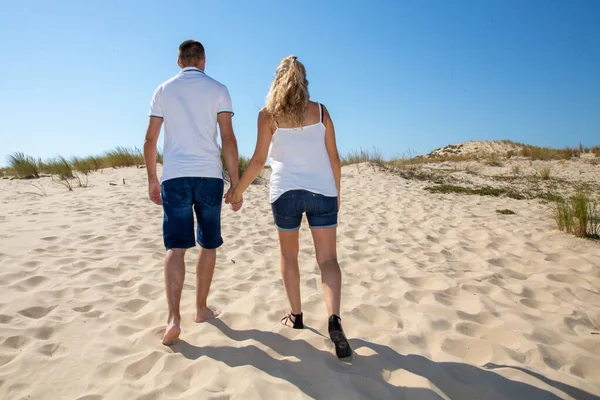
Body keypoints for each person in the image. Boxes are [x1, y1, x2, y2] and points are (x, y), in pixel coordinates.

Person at [225, 55, 352, 360]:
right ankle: (334, 319)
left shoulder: (268, 115)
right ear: (304, 82)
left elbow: (258, 161)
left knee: (288, 255)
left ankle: (296, 315)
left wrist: (236, 192)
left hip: (285, 194)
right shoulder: (320, 112)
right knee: (328, 259)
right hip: (322, 191)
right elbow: (334, 157)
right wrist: (336, 191)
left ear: (276, 80)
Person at [144, 40, 243, 346]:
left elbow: (150, 141)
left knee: (176, 246)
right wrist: (236, 183)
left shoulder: (163, 90)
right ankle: (200, 308)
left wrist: (152, 179)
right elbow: (227, 138)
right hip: (209, 176)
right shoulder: (218, 89)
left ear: (178, 62)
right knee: (208, 243)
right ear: (203, 60)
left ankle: (174, 318)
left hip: (175, 176)